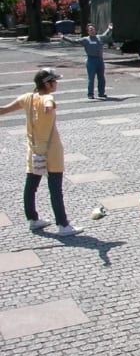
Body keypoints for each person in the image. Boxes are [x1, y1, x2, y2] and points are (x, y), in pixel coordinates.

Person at [0, 69, 83, 236]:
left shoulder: (26, 98)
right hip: (51, 150)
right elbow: (48, 103)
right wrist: (48, 107)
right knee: (55, 188)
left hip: (34, 149)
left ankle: (32, 220)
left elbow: (3, 110)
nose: (57, 83)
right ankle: (63, 225)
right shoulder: (48, 97)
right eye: (55, 81)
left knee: (31, 185)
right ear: (47, 83)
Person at [60, 22, 113, 99]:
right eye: (90, 29)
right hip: (91, 60)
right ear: (88, 32)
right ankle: (90, 94)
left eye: (93, 29)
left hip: (100, 60)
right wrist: (64, 37)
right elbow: (74, 41)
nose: (92, 30)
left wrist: (109, 28)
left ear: (95, 30)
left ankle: (101, 93)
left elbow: (106, 34)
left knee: (101, 77)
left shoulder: (99, 37)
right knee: (91, 78)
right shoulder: (85, 39)